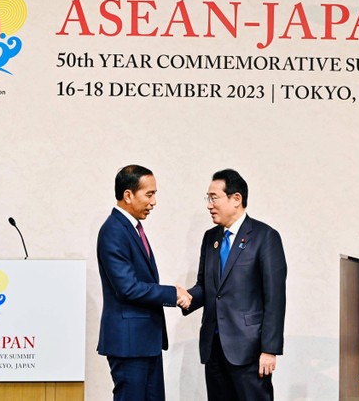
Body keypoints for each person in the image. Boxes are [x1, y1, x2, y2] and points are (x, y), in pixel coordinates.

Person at [184, 169, 287, 401]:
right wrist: (184, 297)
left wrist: (269, 349)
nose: (209, 205)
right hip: (214, 347)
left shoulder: (265, 237)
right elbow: (206, 288)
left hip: (249, 349)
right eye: (207, 198)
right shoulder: (211, 238)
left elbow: (275, 298)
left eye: (214, 198)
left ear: (236, 199)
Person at [96, 164, 191, 401]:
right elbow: (127, 287)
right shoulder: (113, 231)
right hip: (129, 344)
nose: (154, 202)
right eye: (149, 194)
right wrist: (172, 294)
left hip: (145, 341)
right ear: (128, 195)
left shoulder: (132, 228)